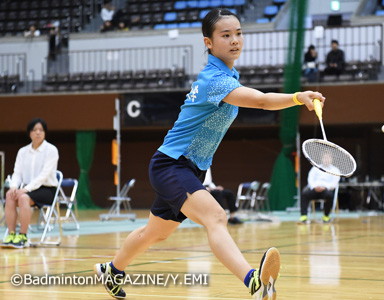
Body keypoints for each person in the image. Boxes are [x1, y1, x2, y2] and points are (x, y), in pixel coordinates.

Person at [94, 8, 325, 299]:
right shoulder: (214, 80)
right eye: (225, 35)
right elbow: (263, 102)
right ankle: (253, 282)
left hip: (190, 168)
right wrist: (297, 97)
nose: (234, 40)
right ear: (208, 43)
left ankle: (111, 270)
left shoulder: (229, 74)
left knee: (156, 232)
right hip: (172, 164)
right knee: (216, 216)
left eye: (238, 33)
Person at [2, 118, 59, 249]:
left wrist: (26, 189)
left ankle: (23, 236)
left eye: (41, 130)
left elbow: (44, 176)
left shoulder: (51, 150)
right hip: (27, 189)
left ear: (45, 133)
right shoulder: (22, 151)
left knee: (23, 198)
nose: (38, 133)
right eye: (34, 130)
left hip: (47, 189)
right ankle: (11, 234)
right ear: (29, 133)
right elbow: (17, 173)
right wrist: (14, 187)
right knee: (10, 196)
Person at [298, 155, 340, 224]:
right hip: (315, 190)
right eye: (325, 158)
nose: (326, 160)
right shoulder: (315, 168)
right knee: (304, 194)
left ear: (331, 159)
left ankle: (326, 217)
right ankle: (304, 217)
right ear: (322, 159)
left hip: (326, 190)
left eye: (328, 158)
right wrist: (315, 187)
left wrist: (325, 187)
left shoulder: (335, 170)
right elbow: (310, 179)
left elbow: (334, 183)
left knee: (329, 196)